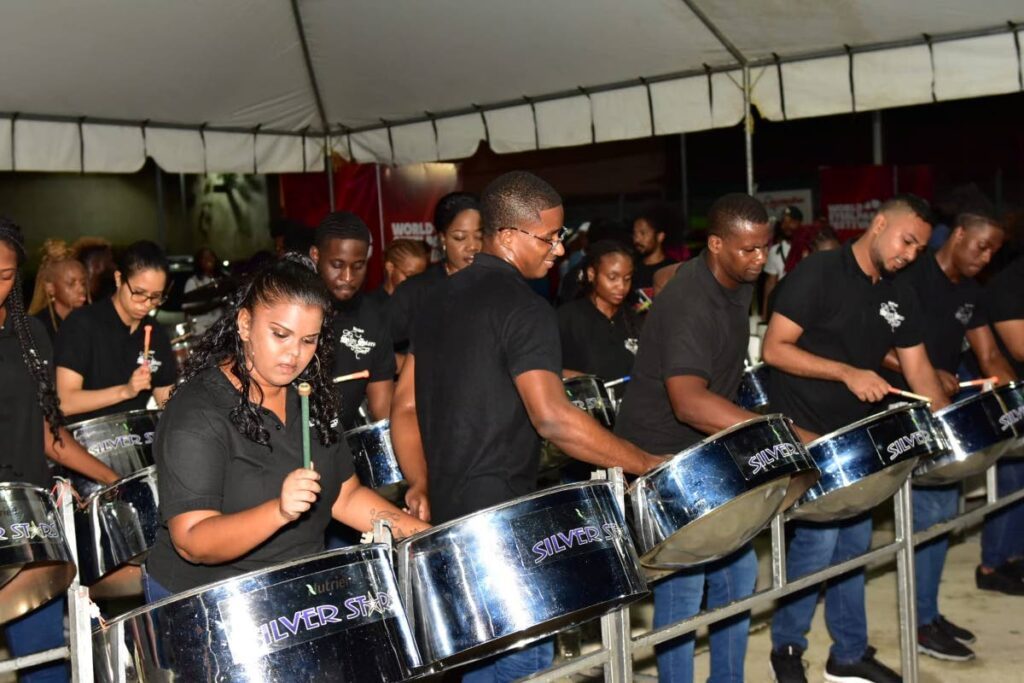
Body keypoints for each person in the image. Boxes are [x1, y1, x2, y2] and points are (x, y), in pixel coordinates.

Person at [390, 171, 663, 682]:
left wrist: (421, 480)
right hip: (500, 513)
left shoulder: (434, 301)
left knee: (479, 653)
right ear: (509, 236)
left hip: (448, 510)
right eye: (550, 236)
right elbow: (552, 416)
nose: (560, 250)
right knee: (524, 656)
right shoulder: (526, 308)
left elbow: (403, 410)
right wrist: (642, 462)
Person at [144, 255, 429, 600]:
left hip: (295, 587)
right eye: (280, 335)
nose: (294, 355)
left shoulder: (309, 395)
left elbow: (345, 495)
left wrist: (425, 538)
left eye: (308, 341)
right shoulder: (198, 412)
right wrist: (278, 511)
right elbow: (192, 539)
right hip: (210, 600)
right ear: (245, 324)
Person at [615, 193, 808, 683]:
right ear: (716, 244)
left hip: (707, 449)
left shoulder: (735, 279)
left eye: (765, 247)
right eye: (748, 250)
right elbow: (690, 402)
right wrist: (772, 434)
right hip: (662, 456)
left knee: (738, 576)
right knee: (684, 588)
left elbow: (666, 279)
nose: (760, 259)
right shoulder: (690, 302)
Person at [764, 195, 950, 683]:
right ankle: (787, 646)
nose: (910, 254)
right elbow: (774, 349)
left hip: (861, 440)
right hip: (807, 431)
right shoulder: (819, 273)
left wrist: (950, 421)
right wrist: (847, 371)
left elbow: (918, 371)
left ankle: (847, 654)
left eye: (919, 248)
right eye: (906, 241)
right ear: (879, 223)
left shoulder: (899, 292)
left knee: (857, 543)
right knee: (819, 544)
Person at [882, 210, 1016, 660]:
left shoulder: (972, 294)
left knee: (943, 515)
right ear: (958, 234)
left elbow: (990, 352)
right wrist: (924, 376)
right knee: (927, 515)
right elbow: (876, 345)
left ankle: (928, 613)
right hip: (904, 405)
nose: (987, 256)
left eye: (995, 250)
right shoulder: (912, 276)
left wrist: (1008, 396)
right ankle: (919, 623)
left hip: (944, 406)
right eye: (982, 245)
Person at [0, 219, 120, 683]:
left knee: (45, 662)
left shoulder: (31, 335)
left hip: (28, 526)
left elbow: (52, 436)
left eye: (7, 274)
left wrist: (115, 483)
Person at [55, 241, 177, 422]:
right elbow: (64, 403)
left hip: (134, 437)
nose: (146, 303)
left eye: (155, 297)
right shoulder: (82, 324)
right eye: (138, 292)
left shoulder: (155, 333)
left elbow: (167, 402)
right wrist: (125, 391)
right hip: (86, 439)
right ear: (119, 279)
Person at [309, 212, 396, 430]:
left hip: (340, 452)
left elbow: (382, 411)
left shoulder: (373, 319)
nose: (347, 277)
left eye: (358, 266)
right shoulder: (293, 311)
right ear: (315, 255)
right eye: (337, 264)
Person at [390, 192, 482, 370]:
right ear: (442, 239)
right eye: (460, 237)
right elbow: (375, 348)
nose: (473, 246)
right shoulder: (415, 291)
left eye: (479, 236)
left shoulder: (498, 286)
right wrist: (414, 370)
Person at [977, 252, 1024, 595]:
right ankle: (991, 565)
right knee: (1009, 482)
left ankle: (1013, 558)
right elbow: (1019, 348)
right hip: (1005, 391)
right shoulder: (1007, 286)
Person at [558, 240, 641, 381]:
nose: (621, 286)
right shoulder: (567, 318)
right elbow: (544, 369)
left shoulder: (634, 319)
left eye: (627, 279)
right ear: (591, 274)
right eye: (612, 278)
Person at [28, 239, 88, 341]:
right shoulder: (36, 328)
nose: (81, 289)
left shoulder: (89, 321)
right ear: (50, 288)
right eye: (71, 284)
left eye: (83, 283)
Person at [761, 205, 803, 320]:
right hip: (784, 309)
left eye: (792, 222)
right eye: (784, 222)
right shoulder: (775, 250)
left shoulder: (808, 248)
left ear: (800, 223)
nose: (787, 226)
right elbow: (770, 284)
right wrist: (765, 315)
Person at [367, 238, 429, 308]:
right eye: (409, 276)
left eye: (421, 277)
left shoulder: (426, 305)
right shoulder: (370, 306)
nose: (417, 283)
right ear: (390, 267)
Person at [632, 203, 679, 291]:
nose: (637, 239)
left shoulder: (673, 270)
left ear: (660, 236)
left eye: (643, 233)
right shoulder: (632, 270)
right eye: (635, 234)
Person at [183, 246, 224, 334]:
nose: (208, 260)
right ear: (199, 261)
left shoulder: (221, 280)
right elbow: (188, 308)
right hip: (201, 330)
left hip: (219, 329)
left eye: (211, 257)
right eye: (205, 258)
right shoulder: (193, 282)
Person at [71, 237, 115, 303]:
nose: (114, 266)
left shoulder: (104, 293)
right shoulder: (79, 302)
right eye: (110, 261)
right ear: (97, 265)